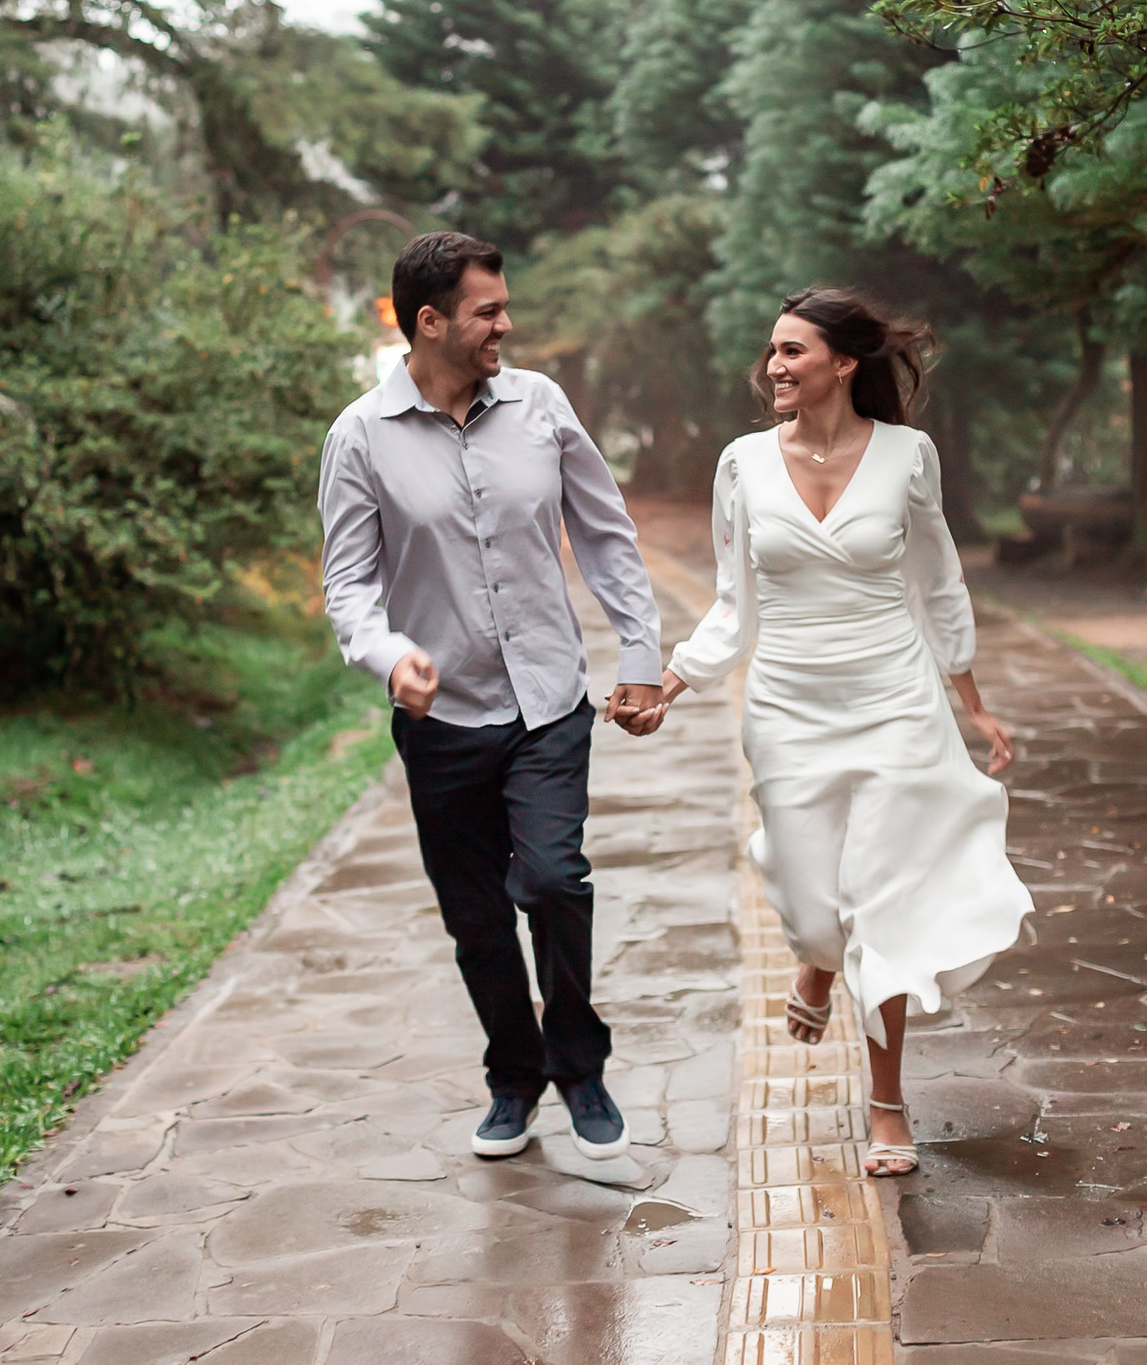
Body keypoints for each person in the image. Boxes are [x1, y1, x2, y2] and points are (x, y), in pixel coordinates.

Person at [648, 288, 1033, 1177]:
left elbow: (938, 583)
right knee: (814, 904)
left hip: (894, 696)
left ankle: (888, 1103)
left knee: (884, 895)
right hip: (786, 704)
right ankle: (819, 960)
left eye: (792, 352)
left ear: (844, 362)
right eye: (772, 352)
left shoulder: (908, 455)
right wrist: (670, 684)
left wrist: (970, 701)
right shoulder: (742, 463)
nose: (773, 368)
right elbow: (735, 604)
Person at [318, 231, 665, 1161]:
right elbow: (348, 584)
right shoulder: (361, 437)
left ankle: (579, 1067)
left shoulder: (541, 406)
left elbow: (605, 533)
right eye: (489, 312)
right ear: (428, 322)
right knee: (475, 919)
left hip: (548, 701)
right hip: (442, 719)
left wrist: (640, 650)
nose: (507, 325)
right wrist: (390, 655)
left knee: (552, 880)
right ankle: (513, 1079)